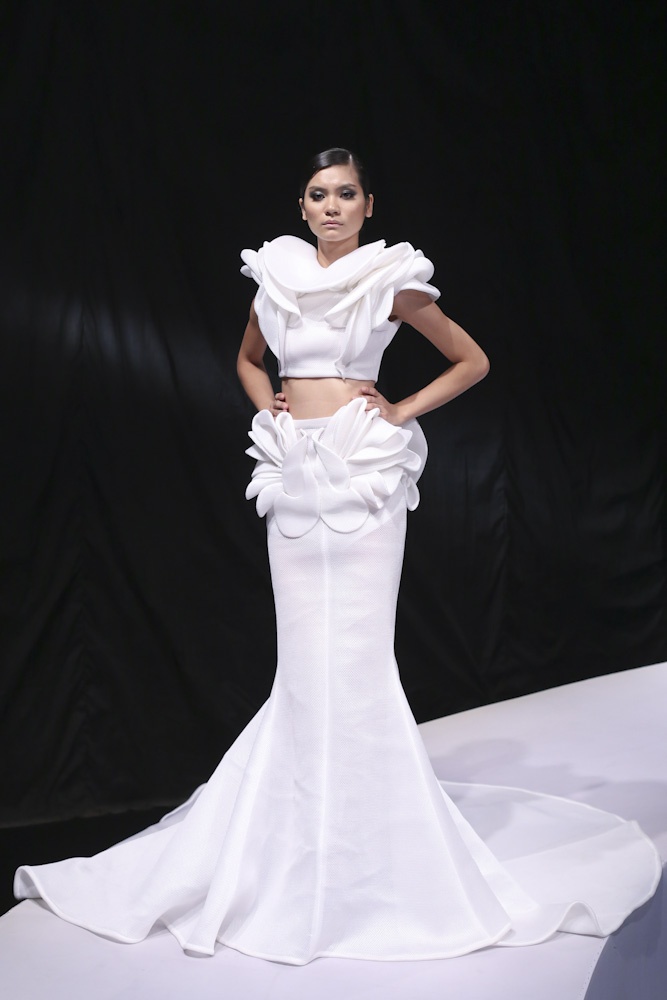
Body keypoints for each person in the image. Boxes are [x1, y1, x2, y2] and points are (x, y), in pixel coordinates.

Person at [14, 148, 660, 965]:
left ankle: (371, 852)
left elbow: (471, 359)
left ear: (367, 205)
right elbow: (248, 360)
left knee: (355, 658)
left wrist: (400, 409)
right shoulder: (275, 278)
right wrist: (272, 409)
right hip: (293, 472)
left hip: (362, 468)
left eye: (345, 194)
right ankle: (287, 839)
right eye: (318, 194)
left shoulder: (388, 279)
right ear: (302, 205)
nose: (330, 206)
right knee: (301, 662)